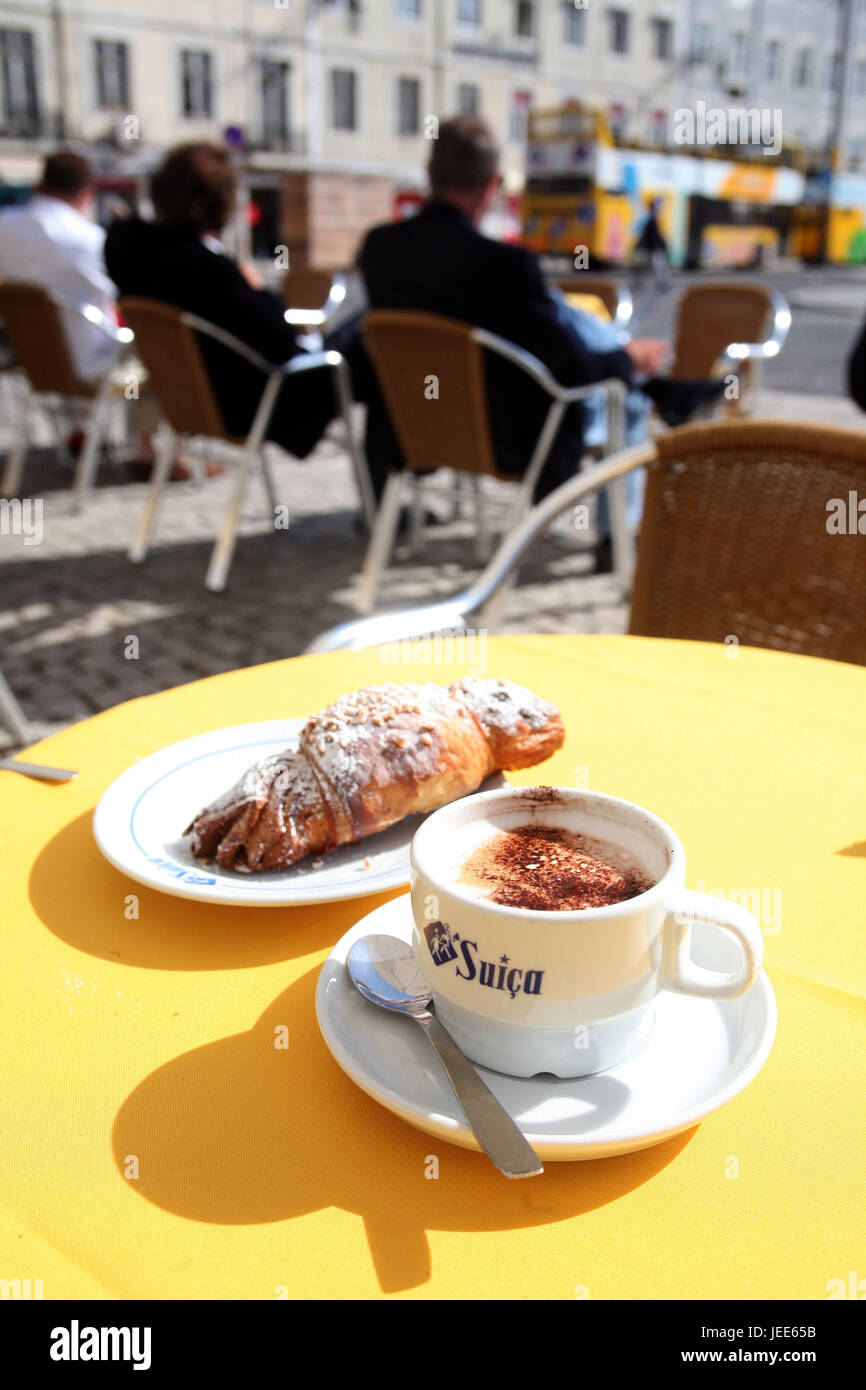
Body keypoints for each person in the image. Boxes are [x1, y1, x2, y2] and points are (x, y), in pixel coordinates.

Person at [352, 116, 723, 567]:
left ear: (430, 175)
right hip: (509, 436)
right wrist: (625, 357)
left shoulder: (379, 249)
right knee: (622, 394)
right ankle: (617, 538)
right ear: (491, 187)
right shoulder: (504, 267)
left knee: (562, 315)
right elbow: (575, 371)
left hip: (417, 424)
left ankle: (654, 386)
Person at [104, 143, 335, 460]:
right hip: (240, 405)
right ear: (217, 203)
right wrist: (254, 289)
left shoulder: (129, 250)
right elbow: (279, 339)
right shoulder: (209, 270)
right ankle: (388, 490)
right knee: (358, 352)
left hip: (182, 397)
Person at [0, 150, 118, 382]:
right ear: (86, 195)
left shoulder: (5, 226)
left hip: (28, 361)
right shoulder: (91, 239)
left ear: (40, 185)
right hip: (88, 364)